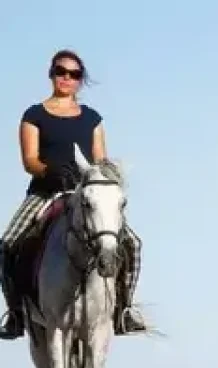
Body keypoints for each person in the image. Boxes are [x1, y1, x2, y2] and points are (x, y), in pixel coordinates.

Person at [0, 49, 147, 339]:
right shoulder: (34, 115)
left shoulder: (92, 119)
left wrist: (100, 178)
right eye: (61, 72)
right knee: (7, 243)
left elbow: (100, 161)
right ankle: (15, 312)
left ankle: (124, 310)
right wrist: (50, 171)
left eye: (74, 74)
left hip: (86, 195)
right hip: (45, 192)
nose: (67, 78)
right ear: (51, 74)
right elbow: (29, 160)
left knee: (132, 242)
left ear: (80, 80)